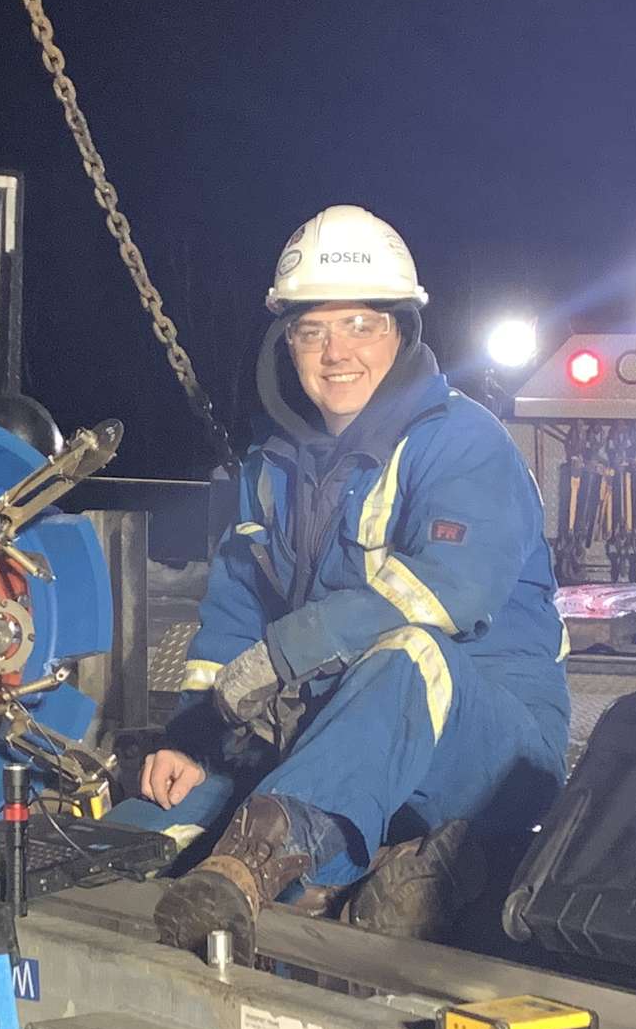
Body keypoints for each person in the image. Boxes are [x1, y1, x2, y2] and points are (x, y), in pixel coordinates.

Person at [112, 204, 569, 959]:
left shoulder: (463, 445)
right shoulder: (275, 465)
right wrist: (194, 736)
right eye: (312, 330)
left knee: (407, 655)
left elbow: (452, 589)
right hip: (332, 734)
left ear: (402, 333)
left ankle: (261, 866)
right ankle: (338, 873)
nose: (336, 353)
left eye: (361, 325)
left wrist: (293, 649)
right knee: (154, 826)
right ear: (286, 342)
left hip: (486, 747)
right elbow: (233, 610)